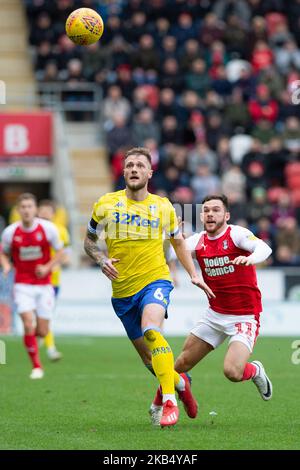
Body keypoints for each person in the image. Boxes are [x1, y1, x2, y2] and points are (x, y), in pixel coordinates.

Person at [84, 147, 214, 427]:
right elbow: (89, 241)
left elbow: (178, 242)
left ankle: (169, 401)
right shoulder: (105, 204)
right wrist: (100, 258)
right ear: (123, 171)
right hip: (122, 292)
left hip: (155, 280)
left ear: (149, 172)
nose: (134, 169)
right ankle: (181, 385)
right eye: (129, 164)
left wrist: (193, 273)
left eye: (140, 165)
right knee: (149, 359)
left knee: (152, 330)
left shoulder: (163, 206)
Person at [152, 194, 273, 413]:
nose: (210, 214)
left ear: (226, 215)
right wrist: (171, 236)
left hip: (244, 316)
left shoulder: (236, 234)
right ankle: (160, 404)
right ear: (201, 215)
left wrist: (250, 258)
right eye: (206, 210)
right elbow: (170, 251)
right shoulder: (197, 241)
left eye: (216, 210)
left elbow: (264, 248)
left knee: (232, 372)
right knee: (179, 365)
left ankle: (255, 371)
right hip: (215, 314)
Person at [1, 193, 64, 379]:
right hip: (22, 284)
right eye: (23, 207)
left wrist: (47, 267)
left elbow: (60, 252)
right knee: (28, 324)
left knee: (42, 331)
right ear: (19, 210)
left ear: (35, 209)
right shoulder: (10, 232)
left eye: (30, 206)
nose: (26, 210)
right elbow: (3, 252)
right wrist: (6, 266)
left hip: (44, 285)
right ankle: (36, 366)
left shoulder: (48, 229)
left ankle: (36, 340)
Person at [38, 199, 71, 361]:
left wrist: (57, 263)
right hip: (33, 279)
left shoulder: (61, 231)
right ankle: (49, 347)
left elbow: (66, 255)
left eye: (48, 211)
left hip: (53, 281)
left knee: (46, 314)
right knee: (40, 314)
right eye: (42, 210)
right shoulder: (31, 230)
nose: (44, 213)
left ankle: (45, 341)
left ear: (53, 214)